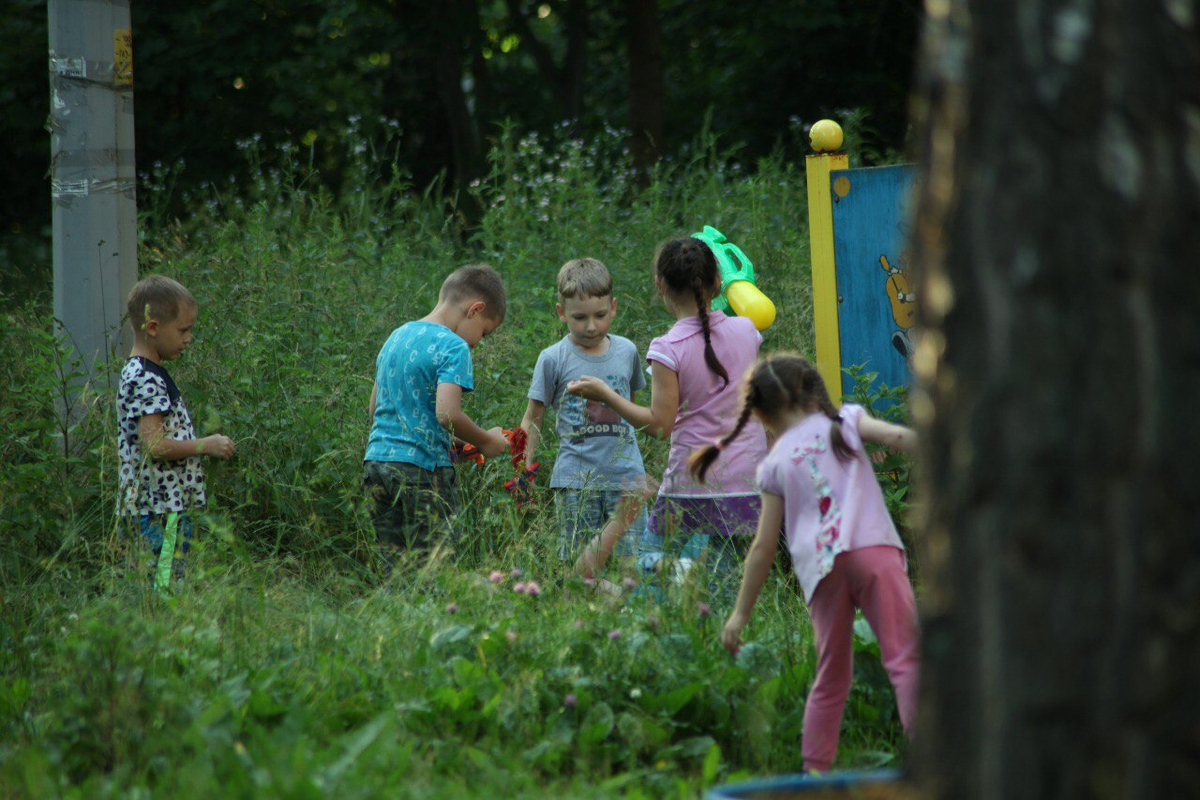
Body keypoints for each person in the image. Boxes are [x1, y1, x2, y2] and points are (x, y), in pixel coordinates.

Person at [708, 353, 919, 774]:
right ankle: (935, 758)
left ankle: (815, 773)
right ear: (811, 388)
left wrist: (739, 614)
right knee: (906, 659)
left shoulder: (773, 464)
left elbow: (763, 548)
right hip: (872, 549)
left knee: (831, 677)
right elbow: (898, 437)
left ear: (761, 415)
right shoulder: (845, 423)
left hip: (823, 571)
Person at [568, 237, 768, 597]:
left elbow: (659, 426)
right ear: (718, 282)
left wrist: (606, 395)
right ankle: (710, 619)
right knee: (725, 588)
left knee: (651, 567)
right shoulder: (748, 331)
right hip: (749, 479)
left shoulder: (668, 347)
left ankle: (683, 574)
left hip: (691, 483)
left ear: (660, 285)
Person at [363, 264, 508, 565]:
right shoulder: (453, 346)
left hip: (377, 464)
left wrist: (454, 443)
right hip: (423, 472)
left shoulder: (397, 336)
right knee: (437, 564)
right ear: (476, 310)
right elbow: (447, 414)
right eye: (485, 332)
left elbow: (376, 410)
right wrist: (486, 442)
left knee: (394, 563)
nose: (478, 342)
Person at [518, 258, 650, 566]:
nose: (591, 326)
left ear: (613, 308)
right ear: (561, 313)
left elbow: (632, 409)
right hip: (576, 482)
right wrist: (525, 466)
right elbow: (532, 418)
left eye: (600, 315)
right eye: (579, 317)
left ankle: (628, 613)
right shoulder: (552, 358)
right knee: (579, 567)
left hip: (626, 481)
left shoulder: (627, 351)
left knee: (634, 566)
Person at [117, 275, 236, 593]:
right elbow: (153, 445)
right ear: (153, 327)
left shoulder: (139, 372)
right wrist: (205, 445)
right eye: (183, 330)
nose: (189, 338)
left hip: (151, 505)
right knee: (166, 586)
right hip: (158, 507)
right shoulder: (147, 378)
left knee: (153, 584)